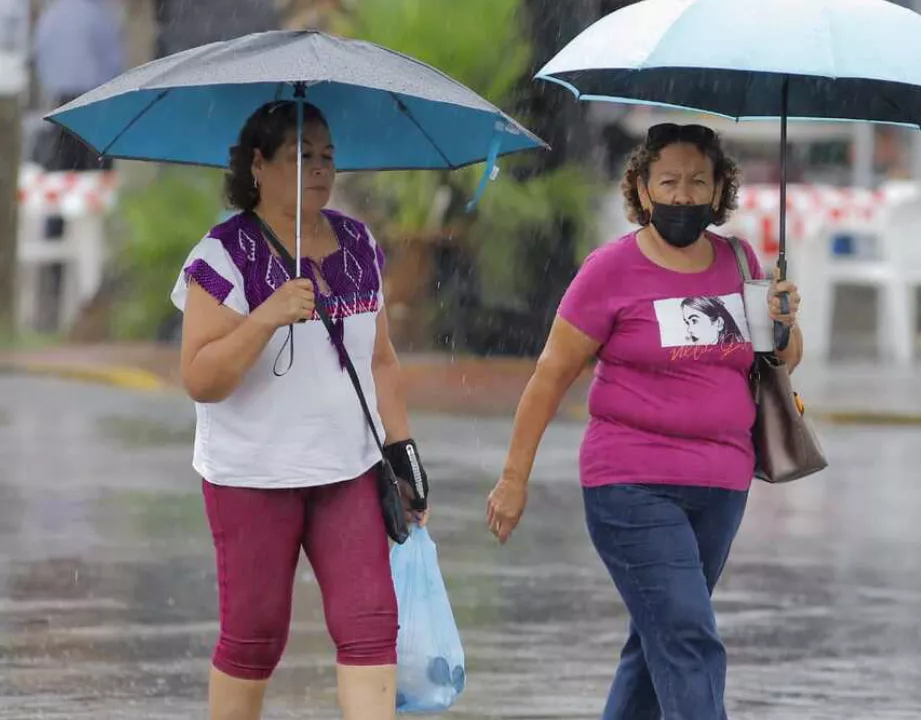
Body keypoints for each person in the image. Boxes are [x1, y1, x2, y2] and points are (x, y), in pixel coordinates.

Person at [485, 123, 803, 719]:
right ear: (642, 187)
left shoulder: (740, 260)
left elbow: (779, 357)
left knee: (656, 640)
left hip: (721, 486)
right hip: (630, 484)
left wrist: (784, 321)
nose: (683, 196)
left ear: (718, 190)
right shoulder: (610, 272)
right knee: (687, 636)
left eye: (697, 182)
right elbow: (550, 376)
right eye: (669, 182)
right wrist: (513, 477)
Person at [170, 100, 428, 720]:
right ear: (258, 166)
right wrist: (266, 315)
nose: (320, 169)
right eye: (300, 156)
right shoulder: (223, 256)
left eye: (328, 156)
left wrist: (404, 452)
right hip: (253, 476)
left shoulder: (359, 243)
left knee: (371, 625)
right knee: (255, 634)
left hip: (349, 471)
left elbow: (382, 360)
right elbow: (200, 379)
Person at [33, 0, 123, 171]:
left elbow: (41, 53)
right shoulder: (100, 15)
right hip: (93, 97)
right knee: (93, 157)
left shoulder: (52, 14)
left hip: (61, 97)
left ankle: (66, 189)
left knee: (64, 156)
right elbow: (113, 61)